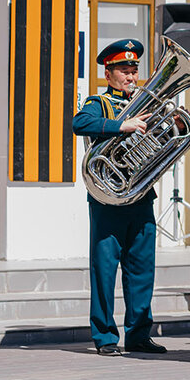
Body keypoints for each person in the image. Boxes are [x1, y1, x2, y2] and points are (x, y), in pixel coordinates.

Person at [71, 38, 166, 355]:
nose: (130, 77)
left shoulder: (146, 105)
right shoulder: (100, 104)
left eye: (133, 70)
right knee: (105, 268)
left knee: (142, 269)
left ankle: (139, 334)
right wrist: (122, 125)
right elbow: (79, 123)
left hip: (140, 198)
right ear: (108, 74)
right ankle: (104, 337)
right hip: (107, 200)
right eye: (124, 71)